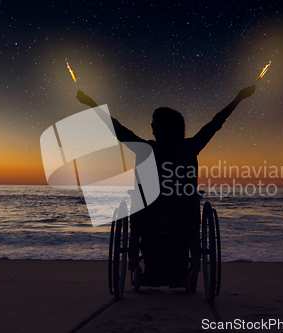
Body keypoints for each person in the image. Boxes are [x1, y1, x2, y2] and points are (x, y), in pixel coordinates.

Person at [76, 86, 255, 286]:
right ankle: (181, 272)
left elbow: (115, 127)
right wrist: (238, 98)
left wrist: (91, 104)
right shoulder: (190, 148)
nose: (150, 126)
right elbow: (216, 123)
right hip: (183, 218)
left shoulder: (146, 150)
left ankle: (148, 270)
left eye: (153, 123)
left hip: (149, 218)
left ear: (158, 127)